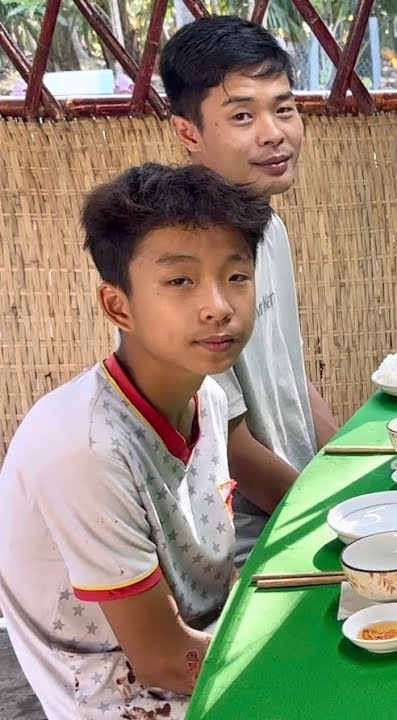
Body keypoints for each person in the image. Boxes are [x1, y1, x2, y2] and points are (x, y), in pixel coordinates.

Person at [0, 163, 272, 719]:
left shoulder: (209, 399)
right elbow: (165, 661)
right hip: (124, 698)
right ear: (118, 305)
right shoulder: (84, 448)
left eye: (236, 276)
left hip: (207, 640)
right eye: (180, 281)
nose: (219, 304)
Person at [160, 16, 340, 565]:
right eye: (242, 115)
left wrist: (360, 458)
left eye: (283, 108)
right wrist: (335, 512)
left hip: (300, 504)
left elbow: (288, 373)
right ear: (189, 133)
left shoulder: (269, 227)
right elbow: (229, 446)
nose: (273, 132)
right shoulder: (187, 267)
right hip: (245, 549)